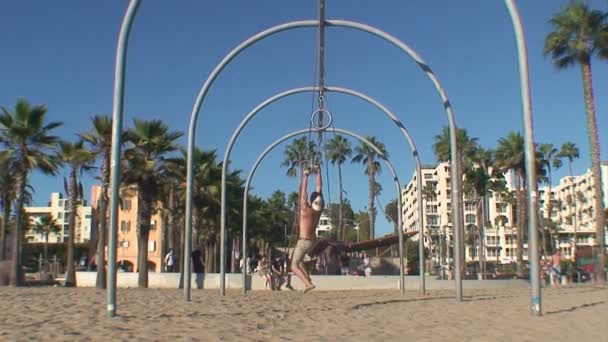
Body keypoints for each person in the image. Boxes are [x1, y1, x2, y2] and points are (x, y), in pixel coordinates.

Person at [292, 164, 323, 293]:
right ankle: (308, 279)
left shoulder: (305, 209)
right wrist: (318, 171)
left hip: (304, 241)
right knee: (299, 262)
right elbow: (319, 188)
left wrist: (305, 175)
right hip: (312, 242)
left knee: (293, 266)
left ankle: (308, 284)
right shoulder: (318, 211)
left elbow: (303, 192)